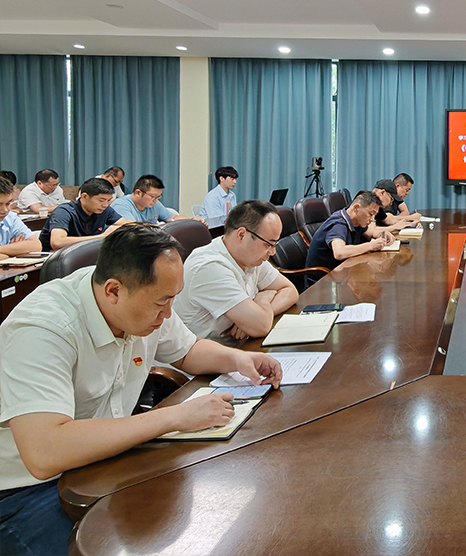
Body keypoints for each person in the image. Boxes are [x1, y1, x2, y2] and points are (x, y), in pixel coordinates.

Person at [0, 224, 282, 556]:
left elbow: (187, 350)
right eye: (163, 302)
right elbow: (44, 452)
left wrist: (238, 359)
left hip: (104, 462)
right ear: (113, 291)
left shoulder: (142, 300)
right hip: (25, 490)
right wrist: (173, 417)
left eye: (173, 299)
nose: (168, 313)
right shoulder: (43, 328)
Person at [173, 201, 298, 341]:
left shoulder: (250, 257)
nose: (272, 252)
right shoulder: (209, 266)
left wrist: (259, 312)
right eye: (268, 244)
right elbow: (261, 326)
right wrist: (263, 299)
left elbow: (290, 291)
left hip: (235, 345)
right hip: (203, 352)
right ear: (241, 235)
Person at [306, 191, 395, 282]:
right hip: (322, 282)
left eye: (374, 216)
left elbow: (371, 233)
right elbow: (339, 253)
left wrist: (383, 233)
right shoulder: (339, 225)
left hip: (342, 274)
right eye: (371, 214)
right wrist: (370, 246)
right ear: (356, 208)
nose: (372, 219)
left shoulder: (356, 221)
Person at [37, 177, 131, 252]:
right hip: (53, 260)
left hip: (83, 256)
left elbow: (124, 223)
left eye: (108, 200)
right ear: (84, 196)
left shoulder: (104, 210)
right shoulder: (63, 211)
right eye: (101, 200)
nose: (105, 204)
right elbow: (57, 242)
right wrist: (101, 237)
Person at [112, 174, 197, 224]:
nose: (156, 200)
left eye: (158, 197)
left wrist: (192, 220)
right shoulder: (121, 205)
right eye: (153, 196)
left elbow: (172, 217)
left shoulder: (154, 204)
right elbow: (132, 227)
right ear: (138, 193)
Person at [0, 177, 42, 257]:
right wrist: (13, 250)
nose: (5, 210)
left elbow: (36, 246)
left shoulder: (11, 218)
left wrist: (5, 252)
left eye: (8, 204)